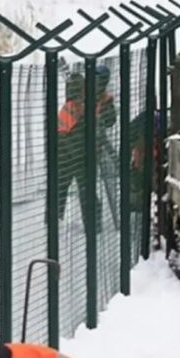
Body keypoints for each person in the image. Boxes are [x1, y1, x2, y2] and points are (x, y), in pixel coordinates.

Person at [57, 66, 116, 233]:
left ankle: (93, 228)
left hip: (86, 154)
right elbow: (62, 131)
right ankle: (54, 223)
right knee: (61, 189)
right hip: (68, 153)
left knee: (86, 192)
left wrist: (105, 108)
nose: (98, 85)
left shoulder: (103, 100)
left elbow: (110, 121)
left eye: (101, 81)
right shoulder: (75, 102)